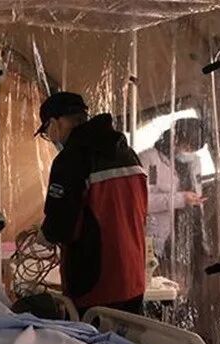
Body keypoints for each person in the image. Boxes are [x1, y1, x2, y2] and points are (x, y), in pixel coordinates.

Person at [35, 91, 148, 317]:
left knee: (90, 339)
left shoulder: (71, 159)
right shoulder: (127, 153)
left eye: (46, 131)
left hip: (95, 283)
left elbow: (61, 225)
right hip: (134, 278)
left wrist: (45, 234)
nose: (50, 137)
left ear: (55, 123)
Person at [138, 118, 207, 261]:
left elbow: (197, 189)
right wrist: (181, 199)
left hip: (187, 238)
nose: (189, 152)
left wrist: (196, 199)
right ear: (175, 138)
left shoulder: (195, 162)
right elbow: (144, 202)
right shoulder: (151, 161)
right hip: (155, 238)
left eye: (193, 149)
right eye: (187, 147)